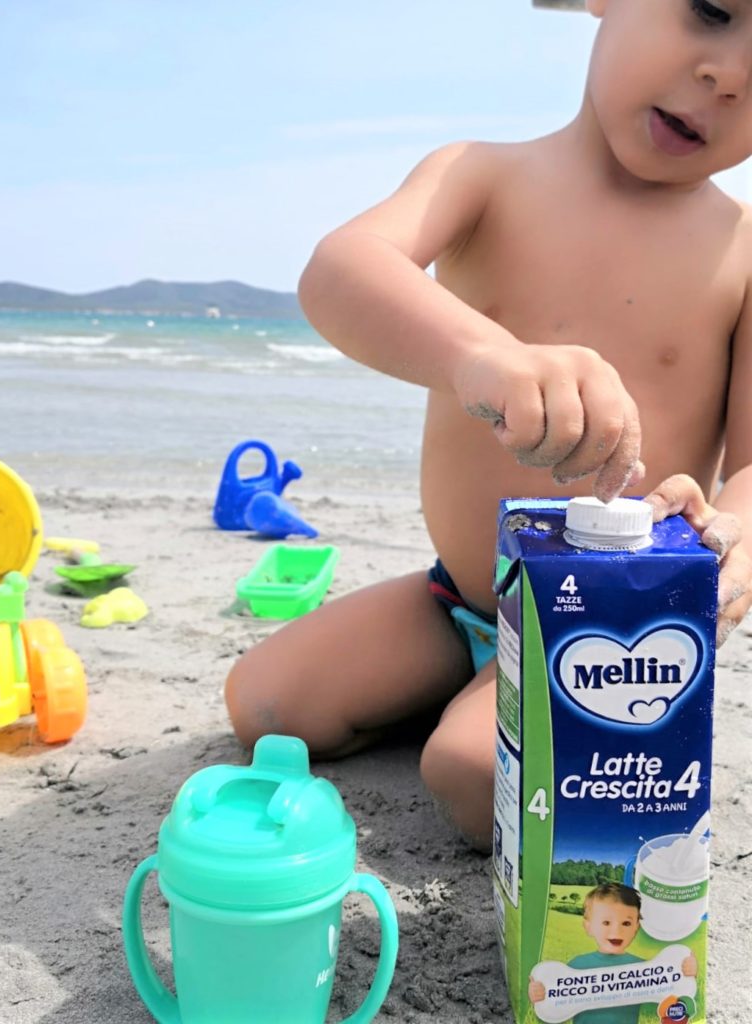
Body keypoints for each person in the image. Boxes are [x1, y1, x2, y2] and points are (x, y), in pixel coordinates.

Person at [226, 0, 752, 850]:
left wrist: (737, 543)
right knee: (265, 705)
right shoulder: (483, 173)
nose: (729, 77)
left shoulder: (740, 249)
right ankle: (468, 688)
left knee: (473, 775)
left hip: (603, 632)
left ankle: (497, 717)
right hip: (459, 598)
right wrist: (483, 356)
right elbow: (340, 271)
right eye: (712, 12)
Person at [527, 882, 698, 1024]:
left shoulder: (643, 967)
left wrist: (687, 973)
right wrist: (538, 994)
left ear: (636, 928)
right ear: (588, 926)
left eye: (626, 923)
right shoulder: (577, 965)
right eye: (606, 922)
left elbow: (667, 1004)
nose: (616, 930)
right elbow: (553, 1007)